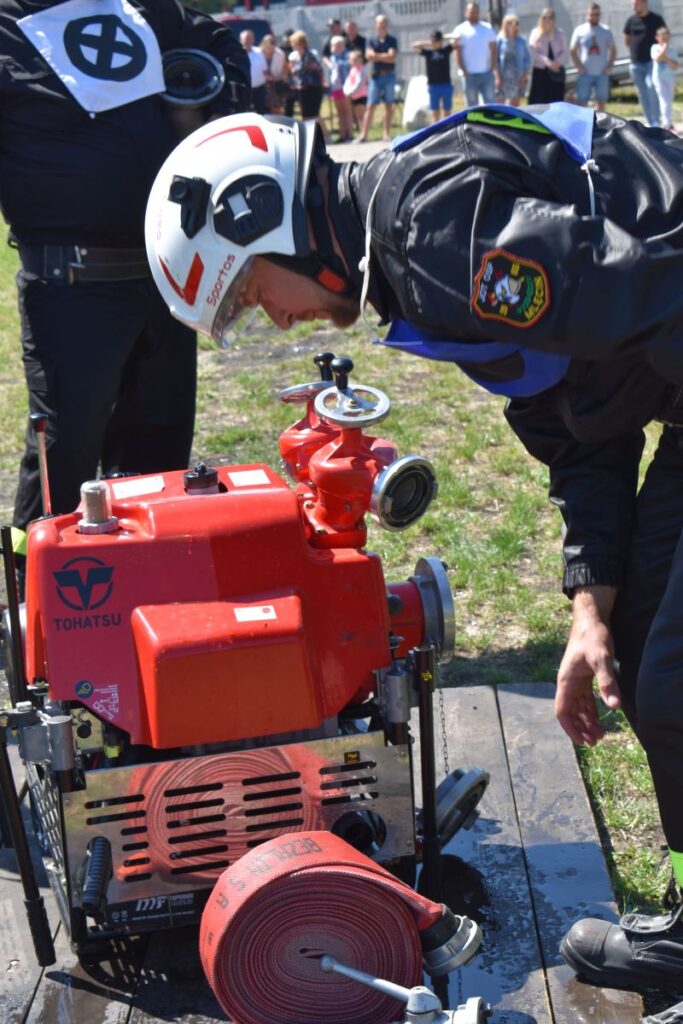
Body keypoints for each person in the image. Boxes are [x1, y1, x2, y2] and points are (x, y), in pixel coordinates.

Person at [148, 106, 683, 995]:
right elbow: (584, 423)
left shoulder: (433, 233)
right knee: (655, 664)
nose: (275, 324)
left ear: (276, 223)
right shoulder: (420, 258)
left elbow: (656, 294)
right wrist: (593, 605)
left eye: (248, 295)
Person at [3, 0, 249, 565]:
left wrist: (218, 127)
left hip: (164, 284)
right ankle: (26, 612)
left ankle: (143, 593)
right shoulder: (6, 30)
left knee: (159, 462)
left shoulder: (141, 12)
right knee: (59, 468)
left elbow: (220, 44)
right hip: (69, 290)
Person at [623, 0, 666, 129]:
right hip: (635, 63)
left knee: (651, 87)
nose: (634, 6)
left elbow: (663, 37)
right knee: (641, 92)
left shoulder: (656, 19)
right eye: (632, 4)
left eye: (636, 3)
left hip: (651, 62)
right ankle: (648, 122)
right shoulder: (631, 21)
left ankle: (656, 120)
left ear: (644, 3)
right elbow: (627, 39)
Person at [358, 15, 398, 144]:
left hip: (389, 76)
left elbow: (392, 57)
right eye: (380, 23)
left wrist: (377, 56)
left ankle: (386, 134)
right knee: (370, 105)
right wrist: (383, 56)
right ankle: (364, 135)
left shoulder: (392, 40)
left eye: (384, 23)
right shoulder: (371, 40)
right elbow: (368, 56)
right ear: (376, 24)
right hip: (376, 77)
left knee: (388, 105)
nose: (382, 25)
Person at [570, 3, 616, 112]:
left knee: (601, 102)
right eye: (591, 14)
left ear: (599, 15)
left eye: (596, 14)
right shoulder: (580, 30)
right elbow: (572, 50)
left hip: (601, 73)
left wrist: (609, 66)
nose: (594, 17)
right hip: (585, 73)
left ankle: (600, 125)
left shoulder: (606, 30)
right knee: (582, 101)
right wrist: (578, 66)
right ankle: (583, 124)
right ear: (587, 15)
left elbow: (613, 50)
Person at [451, 3, 499, 107]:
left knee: (490, 103)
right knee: (471, 105)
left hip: (486, 73)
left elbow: (494, 49)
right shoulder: (459, 30)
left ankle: (490, 123)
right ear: (466, 13)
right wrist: (464, 70)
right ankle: (473, 124)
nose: (474, 14)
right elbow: (456, 52)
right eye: (471, 12)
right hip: (469, 75)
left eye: (476, 12)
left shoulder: (487, 28)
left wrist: (493, 67)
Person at [411, 30, 455, 123]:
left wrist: (444, 37)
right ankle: (436, 125)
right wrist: (429, 43)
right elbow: (414, 46)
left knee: (447, 108)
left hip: (446, 84)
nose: (435, 43)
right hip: (433, 85)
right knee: (435, 109)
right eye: (434, 41)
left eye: (437, 41)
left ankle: (447, 125)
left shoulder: (446, 50)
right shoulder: (428, 53)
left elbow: (457, 39)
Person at [528, 8, 567, 104]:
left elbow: (564, 51)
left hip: (556, 71)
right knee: (539, 101)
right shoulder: (535, 33)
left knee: (556, 101)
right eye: (545, 17)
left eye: (550, 17)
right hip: (540, 72)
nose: (547, 20)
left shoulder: (560, 33)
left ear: (554, 19)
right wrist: (548, 62)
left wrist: (557, 62)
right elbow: (533, 51)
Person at [286, 30, 324, 123]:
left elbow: (318, 70)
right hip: (301, 90)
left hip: (312, 88)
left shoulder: (310, 55)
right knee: (306, 115)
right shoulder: (293, 56)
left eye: (293, 42)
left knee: (314, 115)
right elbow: (291, 72)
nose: (292, 44)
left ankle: (325, 136)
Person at [496, 15, 531, 107]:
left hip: (517, 75)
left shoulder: (521, 41)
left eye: (516, 23)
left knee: (515, 104)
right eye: (510, 23)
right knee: (500, 103)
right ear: (505, 25)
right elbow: (495, 60)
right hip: (503, 75)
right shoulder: (500, 40)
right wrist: (497, 77)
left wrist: (524, 76)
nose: (513, 25)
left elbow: (528, 60)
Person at [325, 36, 354, 142]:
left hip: (345, 86)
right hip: (335, 87)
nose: (336, 47)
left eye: (339, 44)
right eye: (335, 45)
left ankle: (350, 134)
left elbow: (348, 67)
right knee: (340, 112)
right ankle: (342, 135)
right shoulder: (333, 57)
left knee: (347, 111)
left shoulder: (347, 55)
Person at [651, 26, 679, 131]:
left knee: (669, 100)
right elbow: (657, 59)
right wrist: (664, 49)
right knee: (664, 100)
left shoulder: (672, 50)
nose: (665, 40)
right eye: (663, 38)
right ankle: (666, 124)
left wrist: (666, 56)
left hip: (669, 78)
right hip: (658, 78)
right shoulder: (654, 47)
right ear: (657, 38)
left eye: (666, 38)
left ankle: (668, 122)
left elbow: (675, 66)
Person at [240, 29, 268, 115]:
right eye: (246, 39)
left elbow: (265, 69)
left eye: (250, 38)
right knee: (246, 113)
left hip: (259, 88)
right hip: (245, 89)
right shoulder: (238, 54)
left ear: (253, 40)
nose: (248, 41)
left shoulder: (259, 52)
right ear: (241, 40)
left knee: (261, 112)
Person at [261, 34, 289, 116]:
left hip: (277, 83)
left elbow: (285, 67)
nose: (270, 46)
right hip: (264, 84)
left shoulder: (280, 53)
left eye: (272, 43)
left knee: (277, 108)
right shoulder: (259, 53)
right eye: (268, 43)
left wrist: (284, 77)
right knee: (265, 108)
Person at [343, 50, 369, 133]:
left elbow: (359, 82)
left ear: (360, 60)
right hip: (354, 96)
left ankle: (364, 133)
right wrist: (346, 90)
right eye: (352, 60)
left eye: (355, 60)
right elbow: (348, 81)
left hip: (361, 95)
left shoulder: (361, 69)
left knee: (362, 115)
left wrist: (352, 92)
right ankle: (362, 132)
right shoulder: (352, 70)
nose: (353, 62)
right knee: (358, 116)